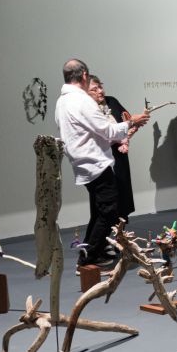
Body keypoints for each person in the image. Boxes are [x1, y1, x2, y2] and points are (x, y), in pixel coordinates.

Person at [54, 59, 149, 266]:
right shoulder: (82, 101)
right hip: (95, 163)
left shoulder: (62, 102)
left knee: (101, 211)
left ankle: (91, 253)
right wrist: (131, 122)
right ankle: (88, 258)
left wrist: (127, 129)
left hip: (83, 163)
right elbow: (108, 131)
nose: (99, 91)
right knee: (110, 211)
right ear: (84, 76)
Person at [87, 75, 138, 222]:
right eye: (94, 89)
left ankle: (121, 231)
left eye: (100, 86)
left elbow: (130, 123)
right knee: (104, 202)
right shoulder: (87, 109)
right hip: (100, 159)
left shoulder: (112, 101)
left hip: (119, 156)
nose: (100, 91)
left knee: (122, 195)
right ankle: (104, 232)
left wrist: (125, 140)